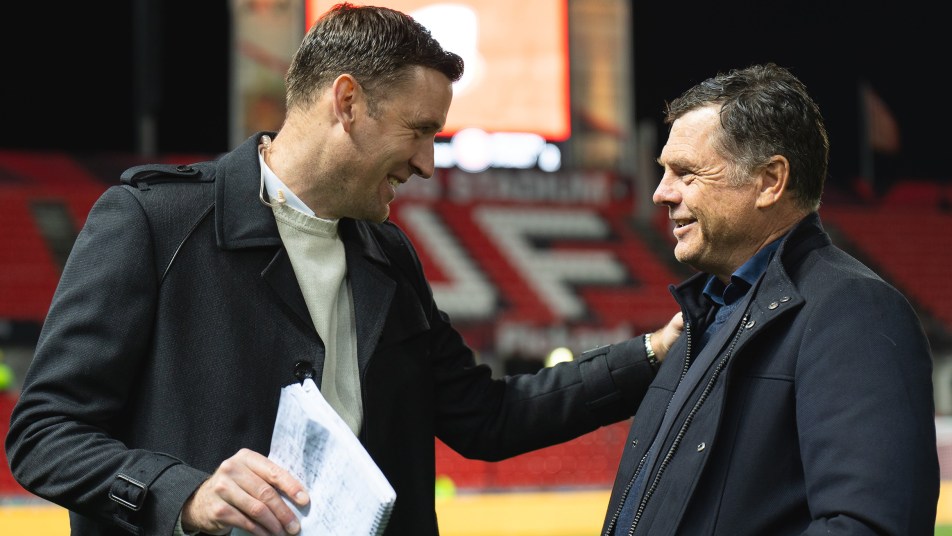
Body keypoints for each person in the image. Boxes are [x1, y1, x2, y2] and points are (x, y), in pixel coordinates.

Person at [5, 4, 683, 536]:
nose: (427, 164)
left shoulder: (387, 255)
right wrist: (184, 493)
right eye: (420, 131)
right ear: (348, 102)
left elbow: (488, 418)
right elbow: (44, 434)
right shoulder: (153, 223)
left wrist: (653, 354)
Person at [597, 62, 939, 536]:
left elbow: (866, 526)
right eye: (664, 173)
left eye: (686, 173)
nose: (660, 193)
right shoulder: (708, 315)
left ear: (770, 181)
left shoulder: (855, 312)